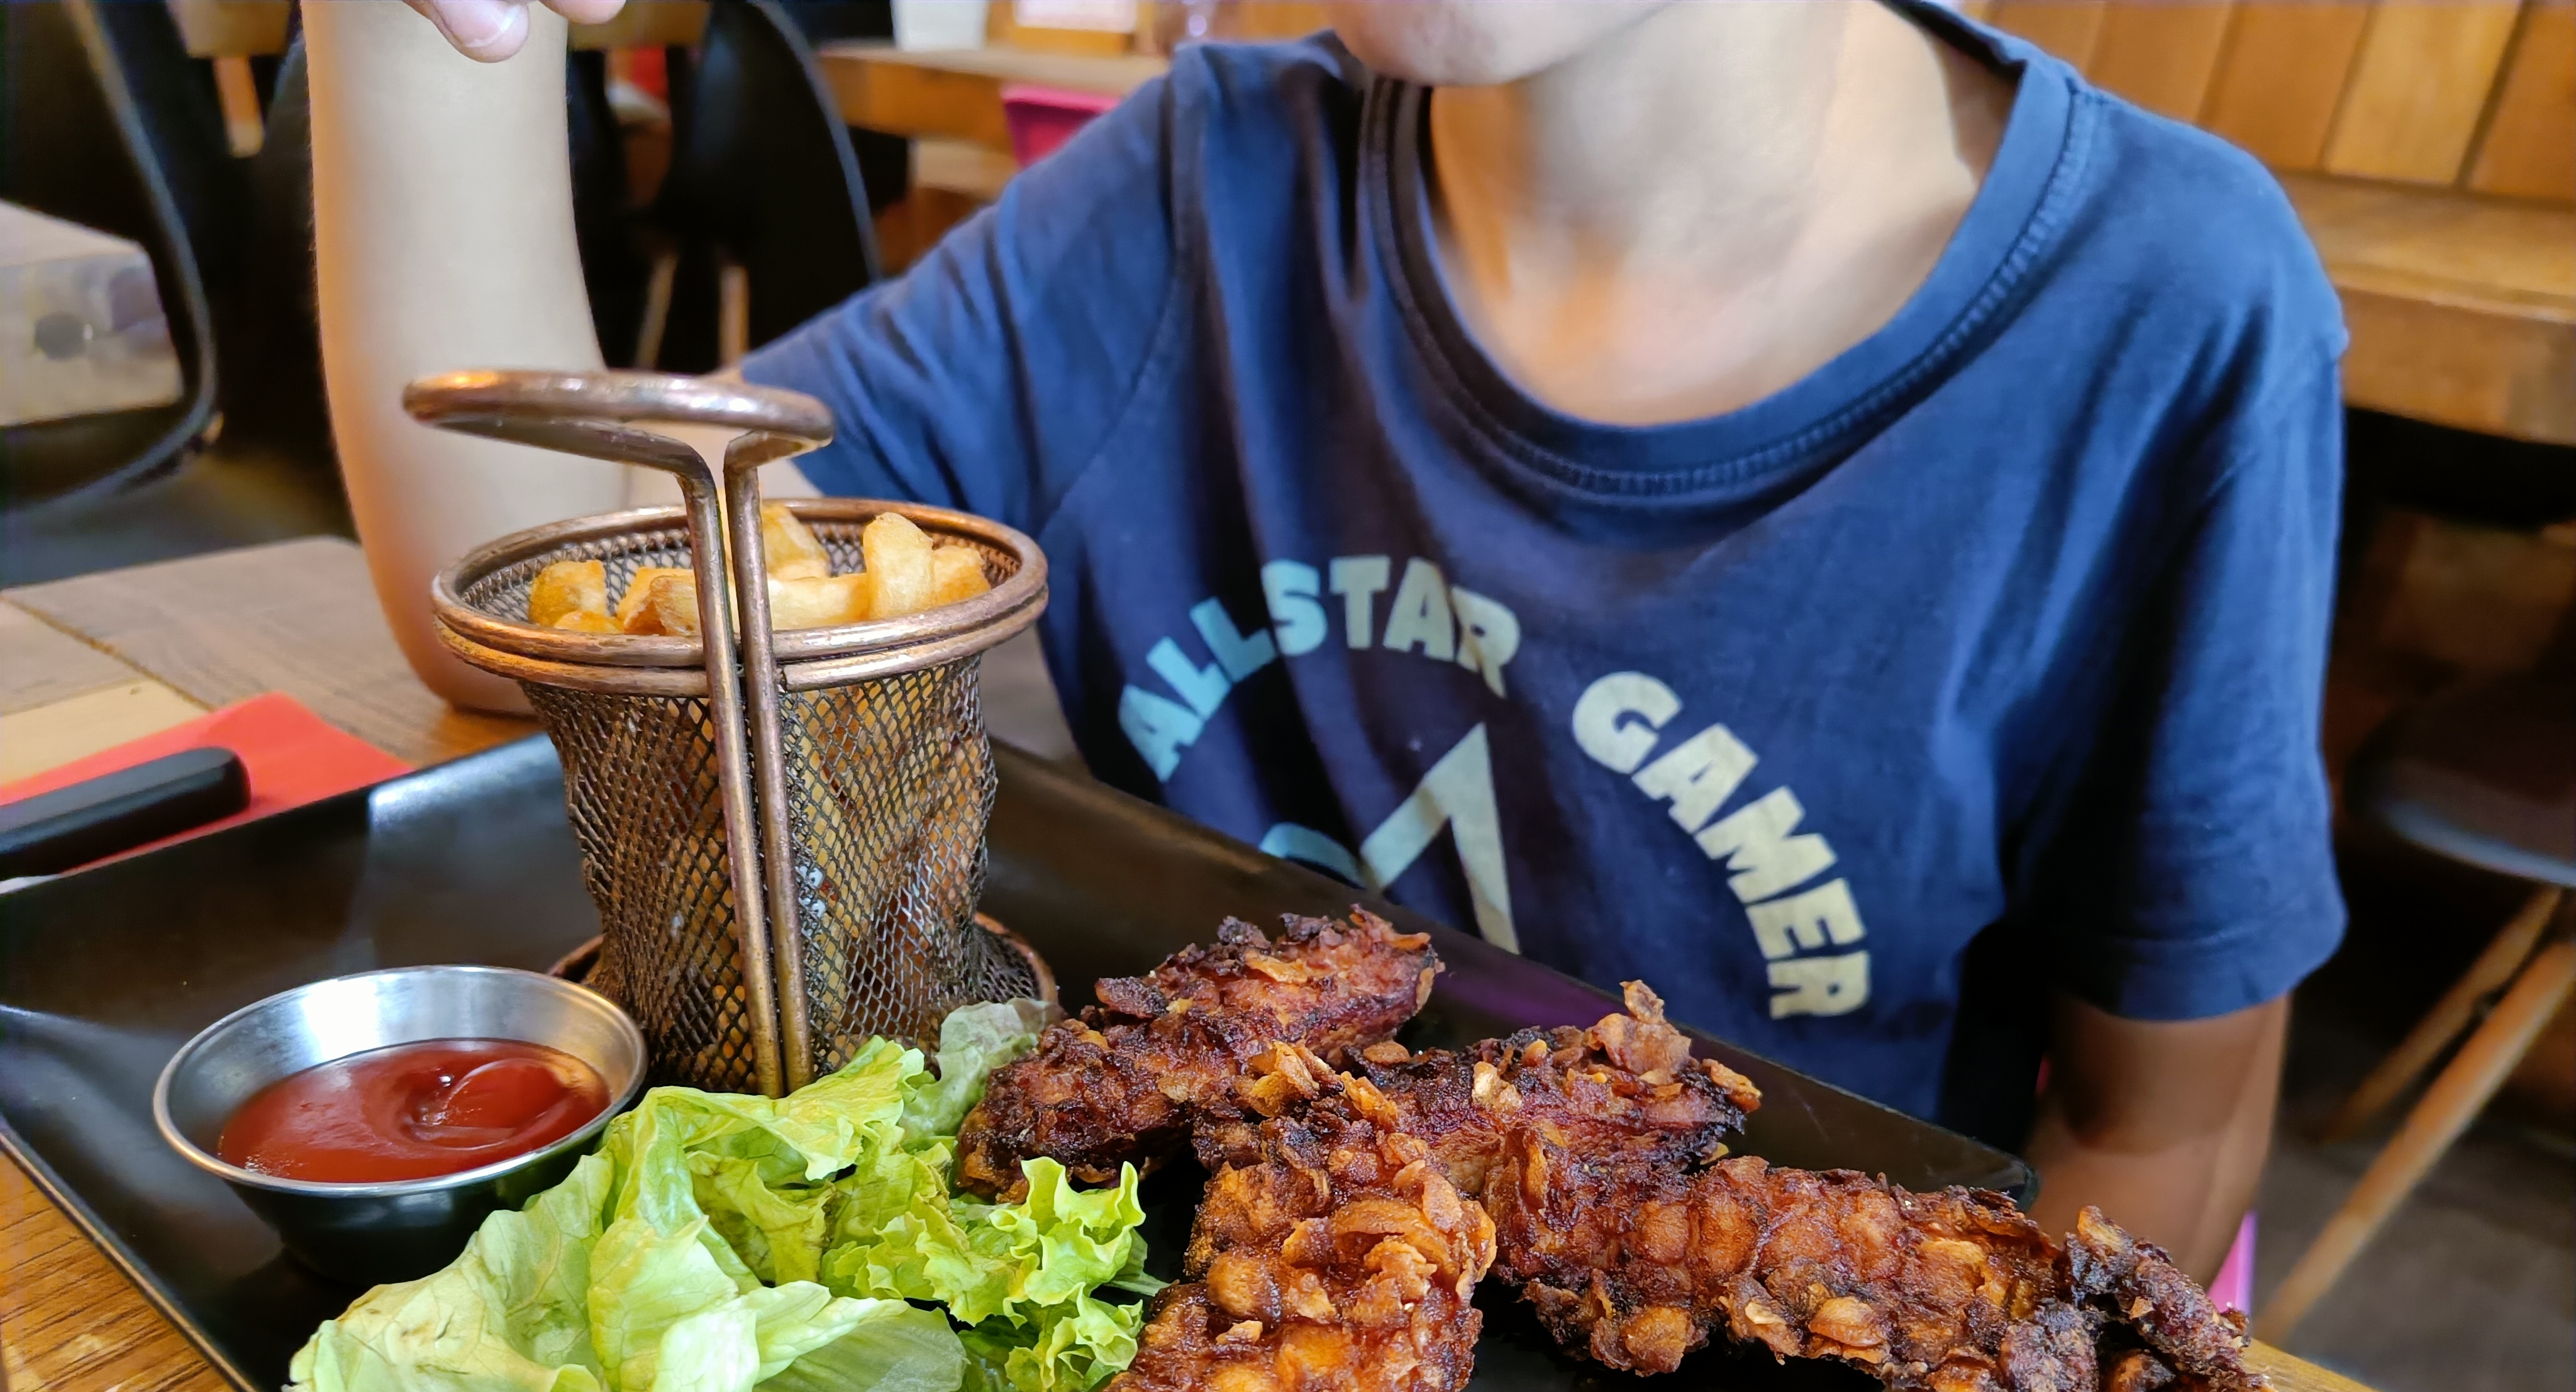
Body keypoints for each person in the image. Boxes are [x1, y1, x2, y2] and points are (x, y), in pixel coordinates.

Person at [312, 0, 2346, 1284]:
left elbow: (2159, 1130)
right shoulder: (1193, 191)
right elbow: (553, 607)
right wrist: (426, 33)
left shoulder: (2163, 305)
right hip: (1212, 1294)